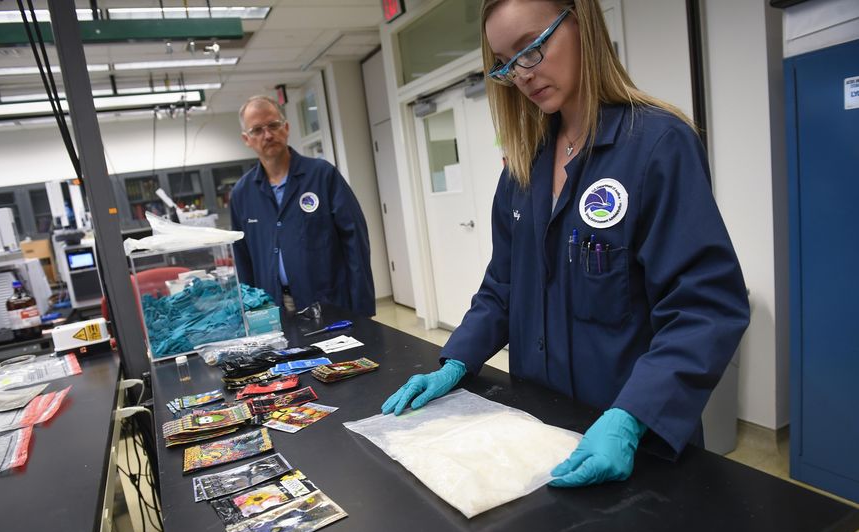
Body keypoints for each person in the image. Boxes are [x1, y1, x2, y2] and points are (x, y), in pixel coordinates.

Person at [381, 0, 750, 487]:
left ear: (582, 24)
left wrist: (632, 418)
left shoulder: (657, 145)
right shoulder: (523, 167)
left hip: (635, 442)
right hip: (539, 431)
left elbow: (705, 308)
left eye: (532, 48)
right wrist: (455, 362)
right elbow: (502, 287)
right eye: (507, 64)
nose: (523, 74)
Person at [230, 95, 375, 316]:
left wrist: (362, 307)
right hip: (273, 309)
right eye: (257, 130)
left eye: (273, 125)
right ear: (246, 139)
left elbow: (355, 242)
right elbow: (242, 261)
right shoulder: (242, 194)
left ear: (286, 128)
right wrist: (250, 313)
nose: (267, 135)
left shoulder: (322, 176)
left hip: (329, 302)